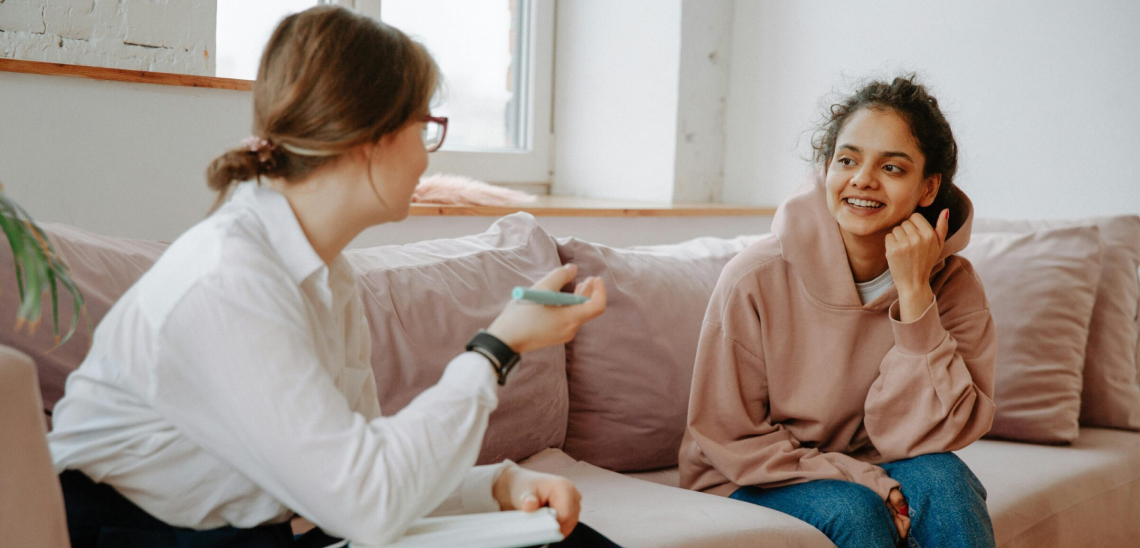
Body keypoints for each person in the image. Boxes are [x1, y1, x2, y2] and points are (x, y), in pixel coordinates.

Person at [48, 6, 620, 548]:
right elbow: (364, 500)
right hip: (138, 537)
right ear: (367, 139)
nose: (426, 158)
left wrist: (497, 486)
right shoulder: (232, 280)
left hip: (267, 531)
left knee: (559, 537)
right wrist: (496, 347)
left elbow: (362, 467)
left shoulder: (326, 274)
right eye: (424, 128)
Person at [679, 75, 997, 548]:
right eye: (847, 160)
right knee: (857, 512)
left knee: (947, 482)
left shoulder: (953, 284)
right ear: (827, 168)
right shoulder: (754, 277)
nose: (862, 179)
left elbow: (940, 432)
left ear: (929, 187)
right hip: (750, 475)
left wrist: (914, 298)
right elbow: (730, 436)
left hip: (880, 458)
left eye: (892, 168)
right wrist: (864, 478)